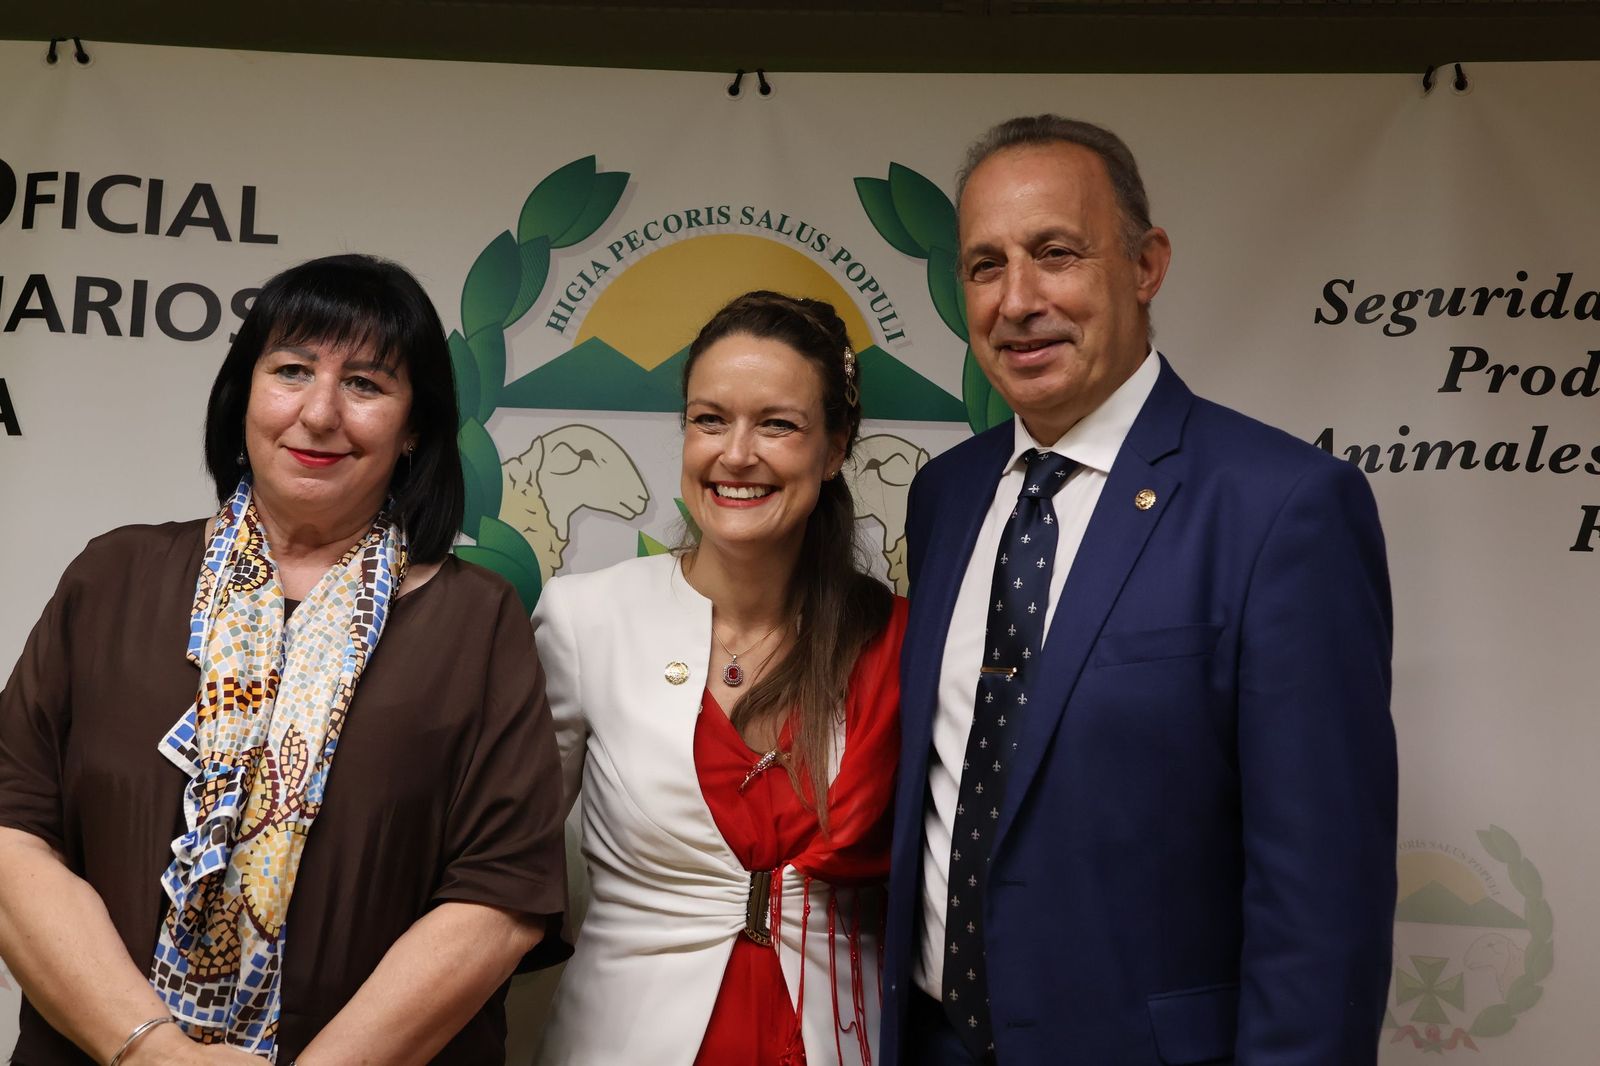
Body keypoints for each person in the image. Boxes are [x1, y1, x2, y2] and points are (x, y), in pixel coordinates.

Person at [878, 116, 1398, 1065]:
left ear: (1147, 264)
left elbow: (1325, 901)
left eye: (1056, 254)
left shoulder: (1282, 507)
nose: (1017, 300)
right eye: (985, 266)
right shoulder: (944, 497)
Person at [0, 254, 566, 1065]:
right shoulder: (112, 578)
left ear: (414, 430)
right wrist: (155, 1053)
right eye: (292, 370)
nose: (320, 413)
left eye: (366, 384)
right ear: (244, 396)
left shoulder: (477, 623)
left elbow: (502, 897)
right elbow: (13, 833)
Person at [532, 291, 906, 1066]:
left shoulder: (897, 639)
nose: (736, 455)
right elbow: (499, 864)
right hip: (624, 1043)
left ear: (834, 449)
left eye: (777, 424)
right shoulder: (584, 620)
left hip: (841, 1040)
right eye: (709, 420)